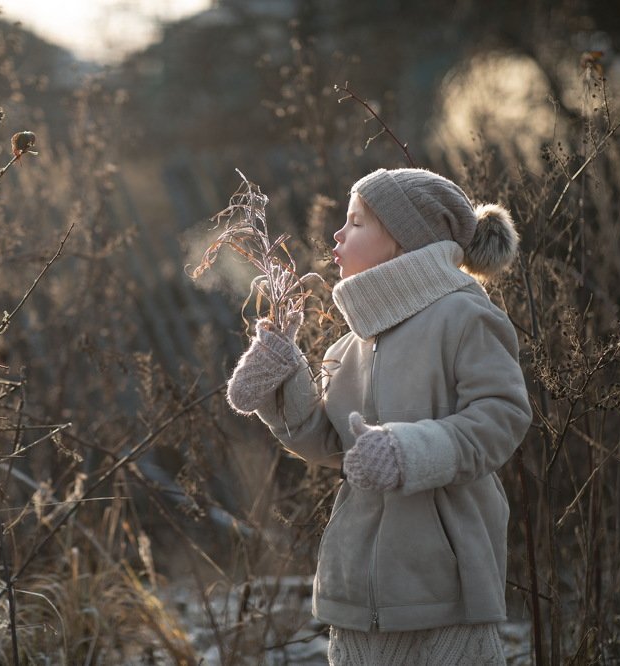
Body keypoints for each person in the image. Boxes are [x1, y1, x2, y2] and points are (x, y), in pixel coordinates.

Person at [226, 168, 532, 664]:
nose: (337, 234)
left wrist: (410, 451)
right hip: (358, 596)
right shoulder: (353, 342)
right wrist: (281, 374)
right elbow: (330, 443)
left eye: (356, 222)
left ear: (402, 240)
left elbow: (502, 417)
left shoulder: (462, 316)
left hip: (446, 593)